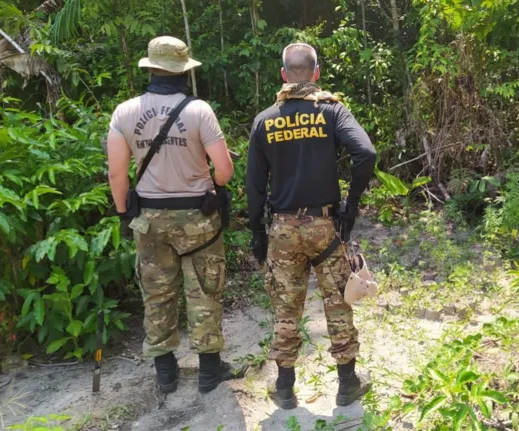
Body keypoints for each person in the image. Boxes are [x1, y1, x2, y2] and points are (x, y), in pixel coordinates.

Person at [107, 36, 246, 394]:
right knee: (203, 290)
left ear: (150, 68)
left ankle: (166, 375)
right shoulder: (199, 111)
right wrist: (213, 189)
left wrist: (124, 213)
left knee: (157, 294)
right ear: (184, 71)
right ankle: (208, 373)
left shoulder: (124, 112)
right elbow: (225, 170)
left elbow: (117, 174)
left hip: (150, 219)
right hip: (197, 218)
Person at [247, 42, 377, 409]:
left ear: (284, 75)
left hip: (283, 229)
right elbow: (365, 153)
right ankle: (347, 384)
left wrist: (257, 232)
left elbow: (254, 185)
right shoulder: (332, 111)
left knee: (286, 307)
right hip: (324, 225)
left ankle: (285, 388)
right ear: (316, 73)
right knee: (337, 302)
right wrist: (350, 208)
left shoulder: (265, 119)